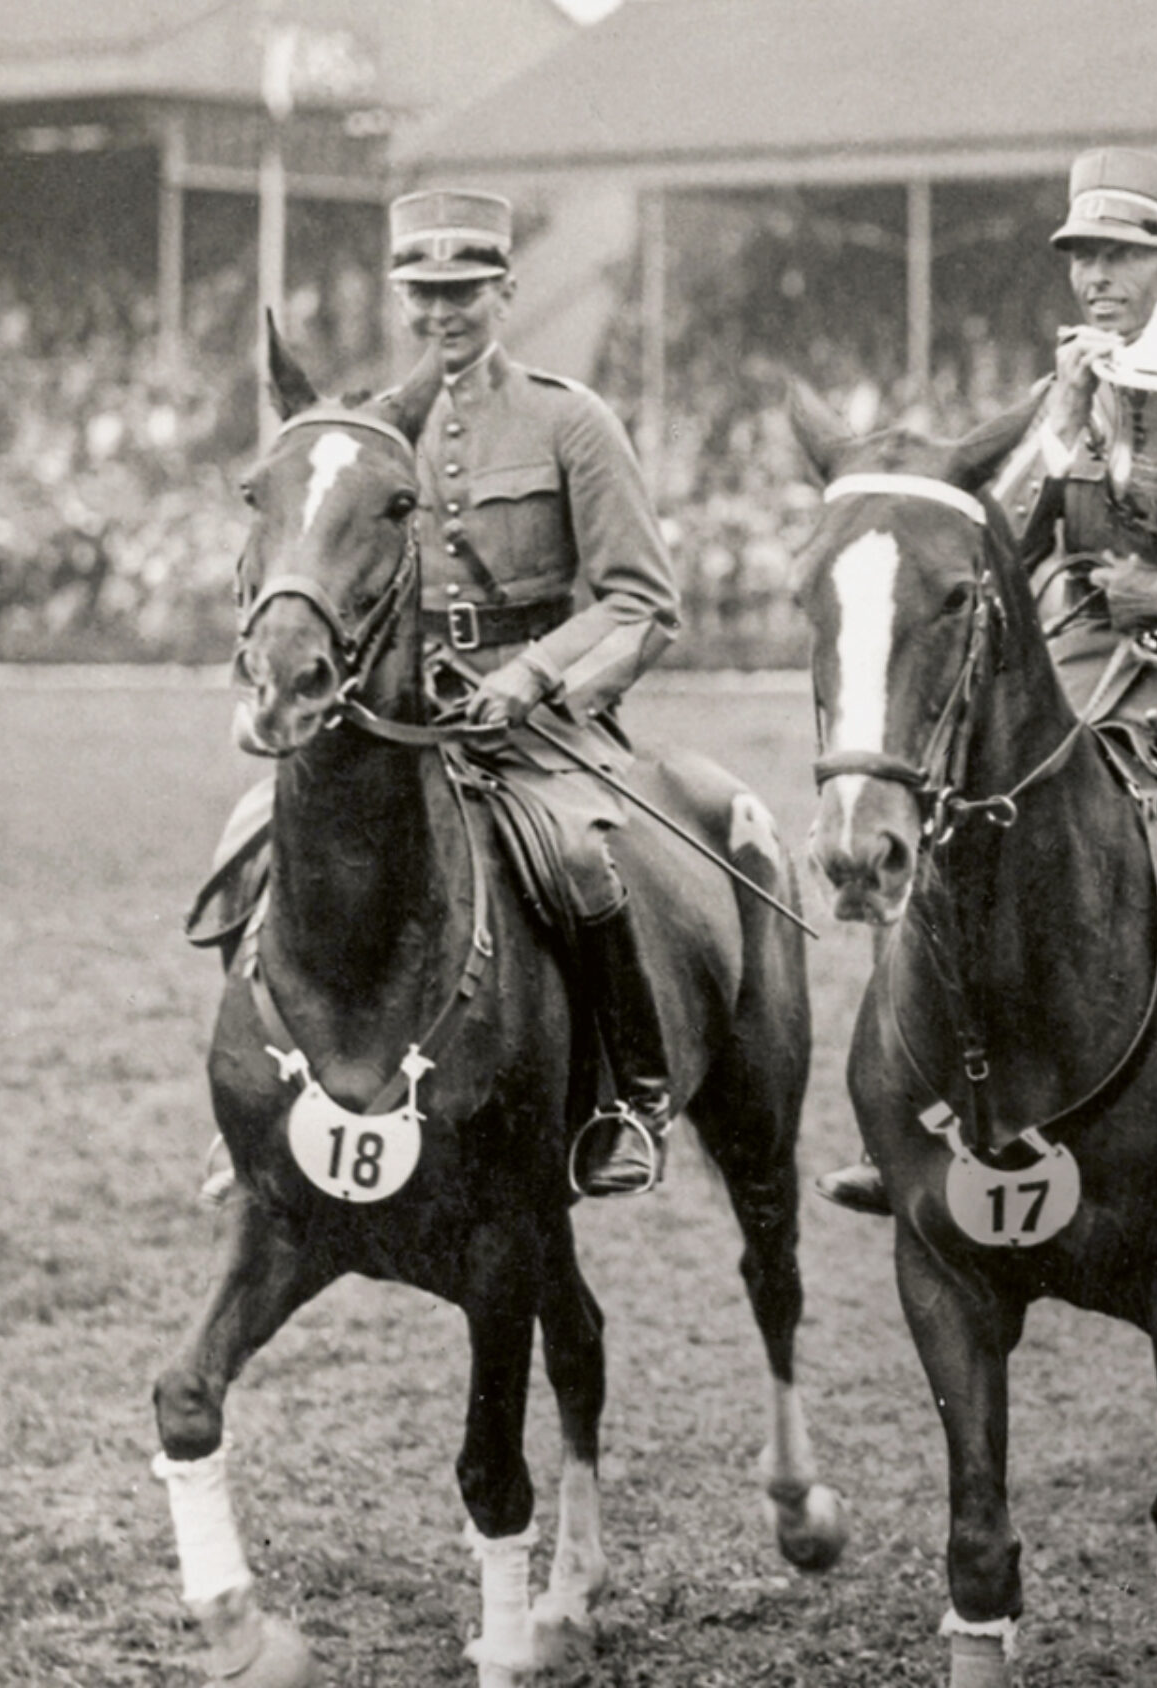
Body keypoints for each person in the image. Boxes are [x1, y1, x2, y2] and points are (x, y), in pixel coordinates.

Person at [814, 147, 1157, 1225]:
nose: (1094, 278)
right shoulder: (1059, 394)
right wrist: (1063, 425)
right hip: (1078, 686)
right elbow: (989, 552)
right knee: (949, 832)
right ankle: (913, 1111)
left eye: (1119, 254)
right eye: (1081, 255)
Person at [197, 188, 686, 1200]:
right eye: (422, 292)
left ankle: (628, 1098)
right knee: (255, 839)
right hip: (398, 721)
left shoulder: (569, 419)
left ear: (504, 291)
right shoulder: (365, 435)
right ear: (401, 296)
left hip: (538, 723)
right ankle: (261, 1102)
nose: (442, 312)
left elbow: (643, 604)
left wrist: (532, 676)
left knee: (586, 861)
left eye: (463, 289)